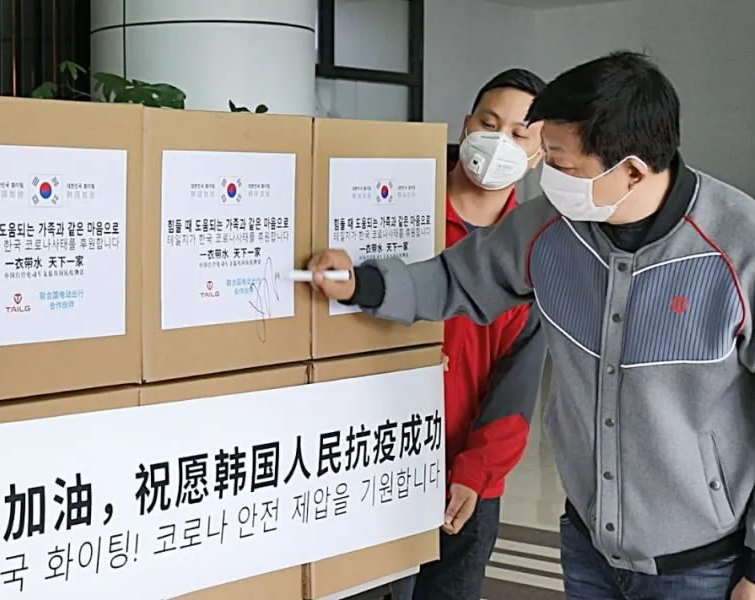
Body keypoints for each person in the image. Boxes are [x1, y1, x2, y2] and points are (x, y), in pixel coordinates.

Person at [309, 51, 755, 600]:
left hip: (704, 565)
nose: (550, 179)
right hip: (588, 545)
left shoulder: (739, 247)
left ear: (632, 170)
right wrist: (361, 284)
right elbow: (457, 279)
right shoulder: (551, 227)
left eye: (564, 166)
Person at [384, 68, 551, 600]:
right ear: (466, 124)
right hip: (376, 460)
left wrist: (476, 472)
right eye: (489, 123)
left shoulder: (533, 252)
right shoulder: (397, 214)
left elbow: (517, 386)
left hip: (467, 478)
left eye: (520, 134)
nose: (500, 142)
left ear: (540, 153)